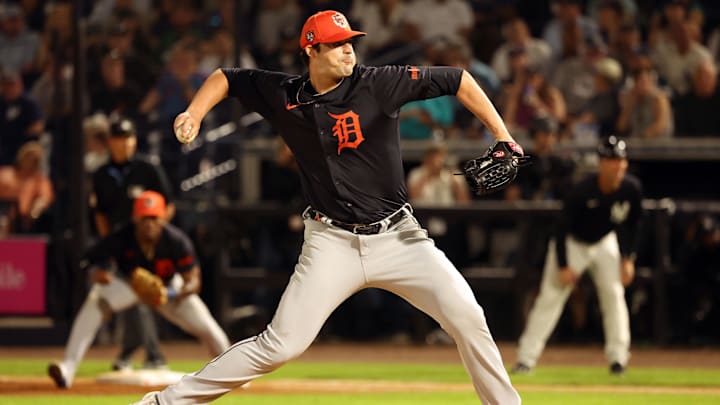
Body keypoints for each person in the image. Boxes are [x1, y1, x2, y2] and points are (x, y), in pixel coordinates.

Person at [132, 10, 523, 405]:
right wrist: (194, 113)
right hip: (330, 242)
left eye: (350, 42)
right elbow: (227, 78)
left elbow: (458, 79)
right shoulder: (283, 94)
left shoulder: (378, 84)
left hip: (401, 239)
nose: (348, 51)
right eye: (336, 44)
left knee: (469, 318)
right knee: (280, 346)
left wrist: (503, 135)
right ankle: (163, 403)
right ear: (311, 49)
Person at [48, 191, 230, 389]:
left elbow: (194, 281)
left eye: (153, 218)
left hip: (167, 289)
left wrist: (169, 294)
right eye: (144, 218)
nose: (149, 223)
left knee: (208, 327)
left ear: (163, 218)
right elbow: (87, 260)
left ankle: (232, 372)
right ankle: (68, 368)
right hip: (128, 285)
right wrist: (96, 273)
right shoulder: (121, 237)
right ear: (135, 218)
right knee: (96, 301)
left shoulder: (176, 240)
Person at [512, 135, 643, 376]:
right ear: (601, 163)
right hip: (572, 243)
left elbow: (634, 225)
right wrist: (563, 265)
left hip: (605, 242)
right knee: (550, 298)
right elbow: (561, 229)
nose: (617, 165)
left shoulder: (631, 189)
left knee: (614, 295)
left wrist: (628, 258)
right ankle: (525, 359)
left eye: (620, 160)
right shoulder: (583, 190)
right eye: (611, 160)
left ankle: (618, 359)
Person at [91, 115, 176, 371]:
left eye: (128, 137)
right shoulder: (102, 174)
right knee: (134, 299)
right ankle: (140, 354)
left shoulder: (147, 168)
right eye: (119, 138)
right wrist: (109, 245)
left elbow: (168, 206)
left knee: (140, 297)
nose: (125, 143)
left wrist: (154, 234)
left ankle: (148, 355)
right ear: (110, 142)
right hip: (121, 245)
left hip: (149, 245)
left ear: (134, 140)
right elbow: (101, 215)